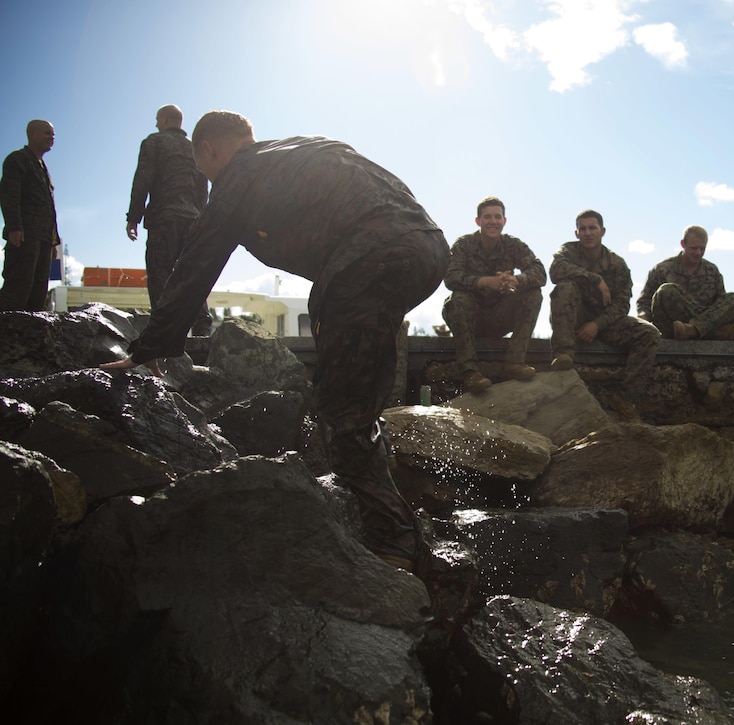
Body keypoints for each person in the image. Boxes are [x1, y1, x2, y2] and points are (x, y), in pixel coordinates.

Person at [100, 111, 449, 574]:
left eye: (203, 172)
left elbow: (196, 263)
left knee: (340, 408)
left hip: (369, 262)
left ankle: (393, 544)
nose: (206, 181)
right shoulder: (305, 146)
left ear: (208, 150)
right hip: (426, 249)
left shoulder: (239, 174)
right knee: (358, 398)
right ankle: (395, 513)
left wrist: (151, 345)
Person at [549, 209, 660, 423]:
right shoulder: (568, 252)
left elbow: (622, 304)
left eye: (593, 228)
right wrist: (594, 278)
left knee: (649, 334)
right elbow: (555, 270)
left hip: (605, 322)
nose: (588, 233)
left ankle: (626, 399)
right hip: (574, 318)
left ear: (603, 231)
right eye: (583, 229)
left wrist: (597, 325)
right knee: (565, 287)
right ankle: (563, 355)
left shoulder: (617, 264)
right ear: (577, 232)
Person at [442, 196, 545, 393]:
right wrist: (486, 282)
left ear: (504, 221)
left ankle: (515, 362)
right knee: (459, 298)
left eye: (498, 217)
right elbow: (450, 277)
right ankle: (470, 372)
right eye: (487, 217)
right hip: (469, 316)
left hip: (499, 316)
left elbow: (539, 272)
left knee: (533, 293)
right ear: (478, 221)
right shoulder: (464, 245)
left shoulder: (513, 245)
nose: (493, 221)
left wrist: (516, 280)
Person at [126, 104, 213, 335]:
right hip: (192, 219)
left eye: (157, 119)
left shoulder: (153, 142)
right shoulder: (193, 149)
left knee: (160, 272)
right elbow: (202, 187)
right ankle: (202, 324)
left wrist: (133, 217)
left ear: (165, 119)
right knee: (190, 273)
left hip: (165, 218)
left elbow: (143, 179)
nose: (156, 124)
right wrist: (200, 219)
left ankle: (163, 330)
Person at [636, 224, 734, 341]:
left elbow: (720, 305)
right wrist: (643, 317)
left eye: (702, 248)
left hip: (704, 318)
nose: (698, 253)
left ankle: (693, 330)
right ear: (683, 244)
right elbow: (644, 301)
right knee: (666, 291)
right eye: (694, 248)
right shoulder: (662, 269)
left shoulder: (712, 271)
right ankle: (715, 333)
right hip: (674, 326)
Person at [0, 120, 60, 311]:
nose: (51, 138)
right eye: (46, 133)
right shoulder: (17, 160)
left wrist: (53, 241)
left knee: (38, 293)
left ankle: (31, 340)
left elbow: (49, 209)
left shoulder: (43, 168)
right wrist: (14, 227)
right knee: (17, 289)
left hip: (43, 241)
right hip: (24, 238)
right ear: (32, 134)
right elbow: (9, 195)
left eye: (53, 135)